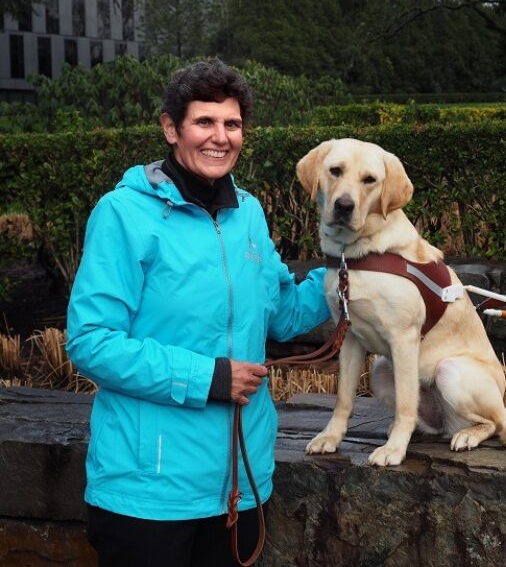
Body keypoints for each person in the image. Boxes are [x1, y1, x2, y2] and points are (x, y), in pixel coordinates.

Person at [66, 59, 331, 567]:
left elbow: (282, 316)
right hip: (148, 492)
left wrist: (347, 270)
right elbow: (91, 341)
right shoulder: (123, 214)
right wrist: (208, 377)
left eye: (231, 124)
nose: (220, 137)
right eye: (204, 122)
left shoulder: (247, 213)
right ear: (171, 128)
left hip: (240, 481)